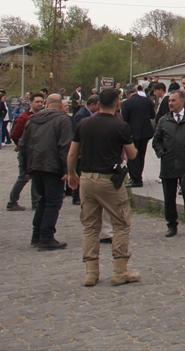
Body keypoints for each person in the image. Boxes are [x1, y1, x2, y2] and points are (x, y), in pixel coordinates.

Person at [65, 88, 140, 286]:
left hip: (87, 179)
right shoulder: (120, 125)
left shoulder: (83, 123)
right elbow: (132, 155)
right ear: (117, 103)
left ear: (98, 104)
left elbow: (72, 153)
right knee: (121, 223)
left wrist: (72, 174)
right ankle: (119, 271)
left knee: (90, 226)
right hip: (109, 180)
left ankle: (91, 272)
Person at [22, 93, 73, 250]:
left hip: (35, 165)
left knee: (43, 200)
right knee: (53, 202)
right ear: (59, 105)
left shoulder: (32, 120)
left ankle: (37, 234)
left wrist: (26, 168)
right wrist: (67, 170)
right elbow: (65, 146)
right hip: (52, 166)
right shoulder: (62, 120)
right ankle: (46, 237)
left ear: (46, 103)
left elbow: (23, 145)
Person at [152, 90, 185, 238]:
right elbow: (156, 140)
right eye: (169, 101)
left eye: (173, 101)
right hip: (168, 164)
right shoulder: (164, 120)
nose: (170, 103)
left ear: (182, 102)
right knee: (169, 197)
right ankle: (171, 224)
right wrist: (161, 153)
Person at [7, 92, 46, 212]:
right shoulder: (24, 118)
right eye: (37, 102)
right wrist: (20, 146)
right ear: (31, 103)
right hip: (26, 153)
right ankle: (12, 201)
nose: (40, 104)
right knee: (23, 177)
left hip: (37, 152)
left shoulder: (42, 116)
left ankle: (36, 202)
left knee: (36, 176)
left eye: (41, 102)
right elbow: (14, 134)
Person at [120, 84, 155, 187]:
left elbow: (124, 120)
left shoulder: (127, 103)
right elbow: (152, 115)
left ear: (126, 93)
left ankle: (136, 179)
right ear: (136, 90)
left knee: (132, 156)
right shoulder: (147, 101)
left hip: (132, 133)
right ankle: (138, 175)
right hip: (145, 133)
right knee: (141, 155)